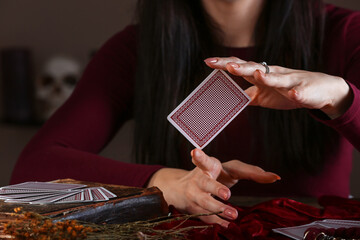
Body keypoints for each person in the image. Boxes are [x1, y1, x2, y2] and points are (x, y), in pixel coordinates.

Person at [10, 0, 360, 228]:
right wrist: (163, 182)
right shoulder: (136, 49)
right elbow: (34, 166)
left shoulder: (345, 34)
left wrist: (340, 96)